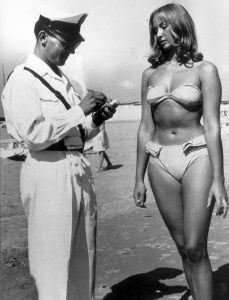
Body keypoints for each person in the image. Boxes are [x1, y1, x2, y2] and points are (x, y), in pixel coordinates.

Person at [1, 9, 117, 300]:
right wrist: (80, 109)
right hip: (48, 170)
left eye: (73, 49)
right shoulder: (22, 78)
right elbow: (34, 136)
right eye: (66, 47)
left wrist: (97, 119)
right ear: (43, 37)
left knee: (83, 253)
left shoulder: (65, 81)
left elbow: (76, 136)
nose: (70, 53)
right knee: (52, 259)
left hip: (78, 169)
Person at [133, 3, 228, 300]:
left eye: (164, 26)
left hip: (197, 157)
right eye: (154, 28)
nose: (158, 33)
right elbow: (145, 128)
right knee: (182, 247)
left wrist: (219, 181)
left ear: (180, 26)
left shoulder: (206, 70)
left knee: (196, 246)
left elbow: (212, 127)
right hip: (159, 161)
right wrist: (138, 177)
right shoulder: (150, 74)